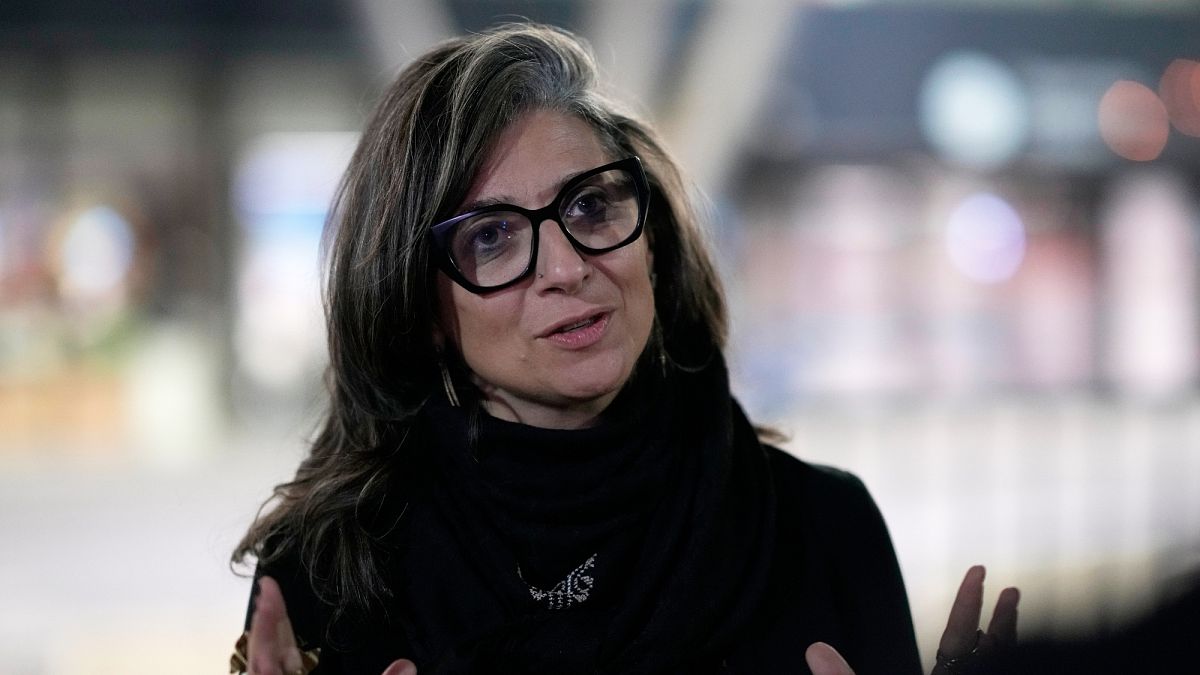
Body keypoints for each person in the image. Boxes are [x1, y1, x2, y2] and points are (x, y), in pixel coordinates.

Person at [231, 23, 1017, 675]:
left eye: (591, 205)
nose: (567, 267)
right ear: (421, 305)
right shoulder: (329, 571)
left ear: (654, 242)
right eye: (493, 237)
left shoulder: (822, 527)